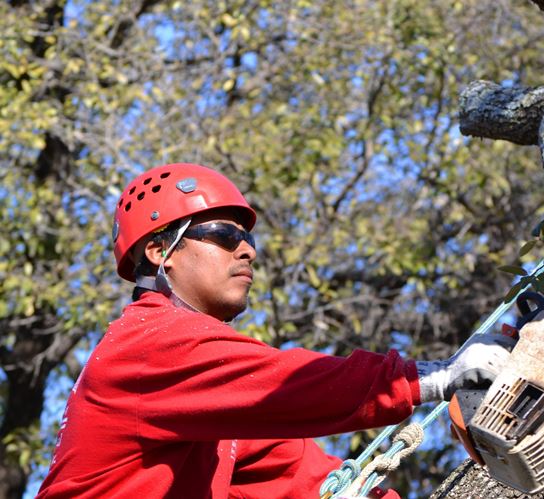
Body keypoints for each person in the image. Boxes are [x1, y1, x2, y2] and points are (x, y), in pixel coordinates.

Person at [37, 163, 514, 498]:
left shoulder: (211, 407)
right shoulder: (147, 342)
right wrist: (433, 378)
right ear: (162, 252)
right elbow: (291, 384)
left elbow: (296, 474)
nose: (248, 252)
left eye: (247, 239)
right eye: (225, 235)